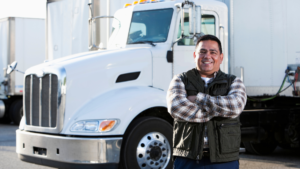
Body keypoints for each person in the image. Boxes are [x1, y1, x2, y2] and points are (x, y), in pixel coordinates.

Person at [166, 35, 247, 169]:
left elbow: (235, 106)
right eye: (202, 52)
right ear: (195, 55)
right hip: (187, 159)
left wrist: (198, 98)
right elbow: (176, 108)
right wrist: (217, 111)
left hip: (224, 160)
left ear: (221, 57)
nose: (207, 56)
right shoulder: (180, 80)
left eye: (213, 52)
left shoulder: (234, 81)